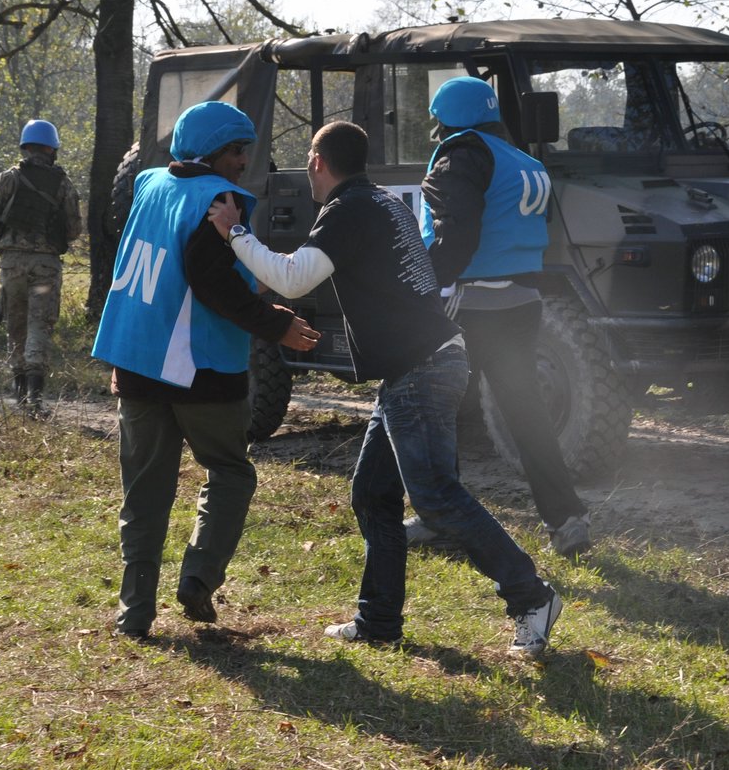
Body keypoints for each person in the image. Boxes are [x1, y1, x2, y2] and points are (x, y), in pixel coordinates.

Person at [206, 120, 563, 657]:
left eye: (308, 158)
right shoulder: (383, 203)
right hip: (419, 364)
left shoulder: (348, 209)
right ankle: (378, 620)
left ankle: (530, 596)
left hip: (421, 367)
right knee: (373, 494)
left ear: (318, 162)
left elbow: (293, 278)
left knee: (436, 497)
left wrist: (235, 232)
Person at [92, 101, 321, 640]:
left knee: (144, 489)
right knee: (231, 471)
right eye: (237, 150)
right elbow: (212, 284)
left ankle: (135, 612)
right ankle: (198, 576)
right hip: (199, 371)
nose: (244, 161)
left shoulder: (148, 183)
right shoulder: (216, 200)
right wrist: (276, 326)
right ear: (214, 152)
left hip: (135, 363)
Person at [405, 76, 594, 558]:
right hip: (522, 299)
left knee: (434, 410)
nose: (437, 132)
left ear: (451, 118)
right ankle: (567, 519)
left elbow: (457, 229)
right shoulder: (525, 161)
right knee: (526, 413)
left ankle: (436, 515)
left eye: (439, 123)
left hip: (468, 300)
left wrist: (438, 281)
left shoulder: (461, 154)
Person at [0, 119, 83, 412]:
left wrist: (4, 250)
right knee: (39, 324)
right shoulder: (63, 184)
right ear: (53, 149)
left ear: (25, 146)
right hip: (46, 266)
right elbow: (74, 229)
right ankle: (35, 398)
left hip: (11, 263)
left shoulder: (5, 179)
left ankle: (19, 392)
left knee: (16, 325)